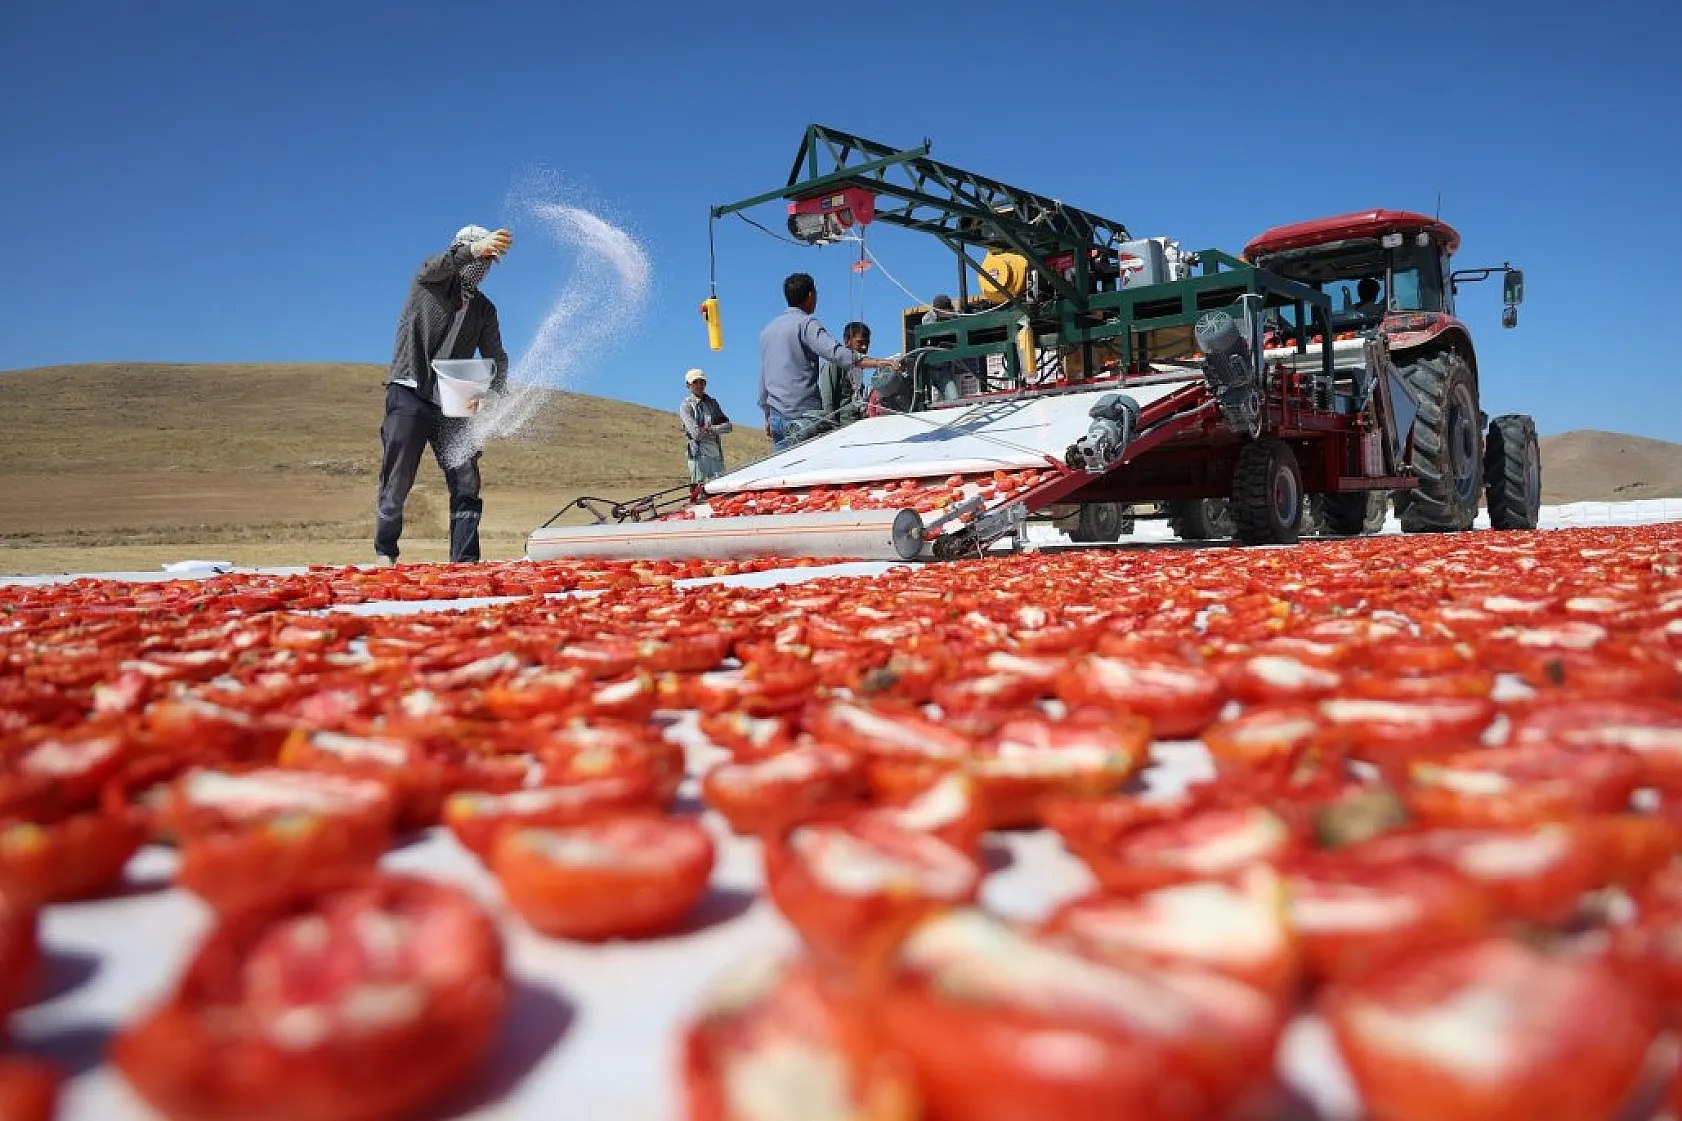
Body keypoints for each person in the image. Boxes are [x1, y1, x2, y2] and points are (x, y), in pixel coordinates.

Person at [374, 224, 511, 567]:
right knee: (399, 476)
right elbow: (442, 264)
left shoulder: (484, 309)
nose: (483, 267)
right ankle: (386, 552)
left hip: (454, 396)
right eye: (480, 255)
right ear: (464, 249)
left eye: (489, 261)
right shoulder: (430, 279)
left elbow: (495, 354)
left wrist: (499, 389)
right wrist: (476, 249)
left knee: (466, 476)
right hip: (410, 387)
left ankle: (464, 561)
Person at [758, 273, 899, 452]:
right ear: (810, 295)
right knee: (808, 475)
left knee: (786, 474)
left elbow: (764, 377)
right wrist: (881, 363)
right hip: (803, 417)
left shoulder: (767, 331)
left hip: (776, 416)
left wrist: (767, 415)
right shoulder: (806, 323)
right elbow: (836, 353)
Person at [678, 368, 733, 497]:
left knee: (720, 493)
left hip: (716, 456)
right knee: (700, 494)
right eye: (695, 382)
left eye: (702, 382)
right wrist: (715, 429)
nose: (699, 385)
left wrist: (709, 429)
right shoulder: (686, 406)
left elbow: (728, 426)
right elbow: (696, 433)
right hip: (698, 457)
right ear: (688, 385)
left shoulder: (713, 404)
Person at [818, 321, 871, 430]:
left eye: (867, 343)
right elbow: (827, 400)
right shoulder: (834, 364)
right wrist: (832, 429)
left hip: (858, 425)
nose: (864, 347)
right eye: (860, 343)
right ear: (847, 341)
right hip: (842, 429)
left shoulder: (858, 368)